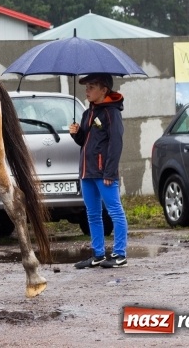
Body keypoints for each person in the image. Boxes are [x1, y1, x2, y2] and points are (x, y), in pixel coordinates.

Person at [69, 73, 129, 269]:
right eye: (87, 86)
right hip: (87, 172)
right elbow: (84, 142)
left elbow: (116, 143)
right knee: (92, 214)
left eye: (92, 86)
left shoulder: (111, 113)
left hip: (104, 173)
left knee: (115, 212)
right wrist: (76, 134)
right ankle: (98, 254)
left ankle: (120, 254)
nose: (87, 90)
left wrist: (110, 173)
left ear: (104, 90)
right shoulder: (88, 113)